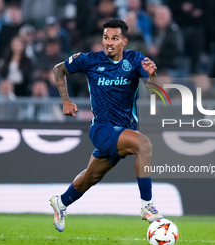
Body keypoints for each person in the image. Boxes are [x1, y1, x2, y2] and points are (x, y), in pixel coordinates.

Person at [49, 18, 163, 232]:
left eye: (115, 38)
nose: (109, 42)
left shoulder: (134, 59)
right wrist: (66, 100)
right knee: (144, 145)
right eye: (105, 37)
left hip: (125, 130)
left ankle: (61, 202)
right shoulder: (89, 60)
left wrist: (153, 75)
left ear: (124, 41)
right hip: (102, 129)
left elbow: (157, 94)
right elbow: (58, 70)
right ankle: (147, 206)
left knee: (91, 177)